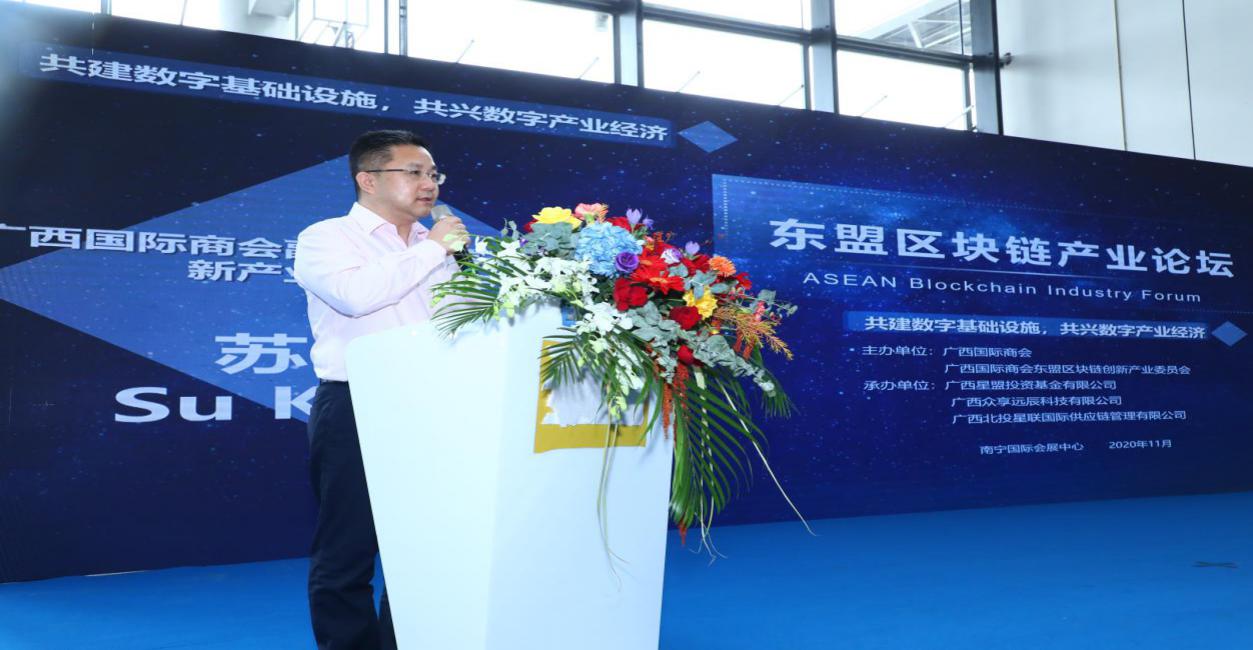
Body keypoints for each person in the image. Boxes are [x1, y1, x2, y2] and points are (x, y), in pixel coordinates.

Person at [293, 129, 468, 650]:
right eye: (413, 172)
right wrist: (433, 249)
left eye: (433, 174)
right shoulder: (327, 237)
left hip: (435, 406)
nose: (429, 184)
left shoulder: (437, 248)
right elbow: (354, 295)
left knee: (421, 549)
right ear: (367, 179)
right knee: (347, 550)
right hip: (358, 405)